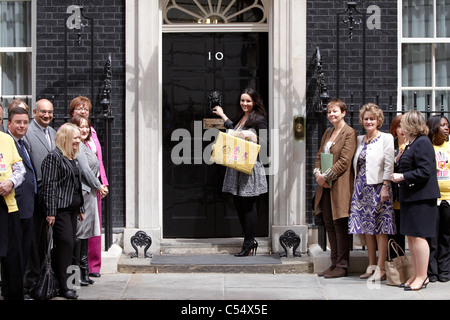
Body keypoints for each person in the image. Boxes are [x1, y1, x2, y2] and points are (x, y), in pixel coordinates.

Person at [212, 88, 268, 256]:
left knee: (249, 206)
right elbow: (233, 131)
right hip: (237, 168)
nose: (244, 103)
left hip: (250, 169)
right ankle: (249, 239)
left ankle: (248, 242)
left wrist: (252, 137)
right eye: (242, 100)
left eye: (248, 101)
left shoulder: (259, 119)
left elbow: (267, 143)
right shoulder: (241, 117)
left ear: (255, 102)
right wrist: (222, 115)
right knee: (238, 204)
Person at [391, 110, 440, 291]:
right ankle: (416, 274)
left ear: (411, 125)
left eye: (404, 123)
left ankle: (422, 275)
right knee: (411, 238)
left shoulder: (423, 143)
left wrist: (402, 176)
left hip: (421, 198)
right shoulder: (412, 144)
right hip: (411, 197)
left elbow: (425, 171)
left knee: (419, 238)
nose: (401, 127)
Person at [349, 103, 396, 282]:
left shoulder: (386, 138)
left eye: (372, 119)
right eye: (366, 119)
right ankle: (371, 266)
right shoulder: (361, 139)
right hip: (361, 187)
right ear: (362, 120)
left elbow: (389, 163)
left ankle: (382, 268)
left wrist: (386, 185)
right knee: (367, 229)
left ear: (378, 120)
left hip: (378, 187)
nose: (369, 121)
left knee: (380, 229)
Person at [312, 98, 356, 278]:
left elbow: (345, 161)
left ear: (343, 113)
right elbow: (319, 156)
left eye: (335, 111)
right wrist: (317, 174)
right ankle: (333, 263)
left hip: (339, 185)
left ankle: (342, 265)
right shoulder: (328, 132)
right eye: (329, 112)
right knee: (329, 224)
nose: (331, 114)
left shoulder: (349, 133)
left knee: (340, 224)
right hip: (325, 186)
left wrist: (326, 176)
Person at [41, 123, 85, 299]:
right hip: (60, 210)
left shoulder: (71, 157)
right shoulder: (54, 157)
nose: (78, 140)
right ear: (65, 138)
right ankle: (65, 286)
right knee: (65, 244)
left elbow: (76, 185)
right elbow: (49, 186)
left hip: (73, 210)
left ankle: (64, 283)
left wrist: (81, 207)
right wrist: (51, 212)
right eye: (75, 137)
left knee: (68, 245)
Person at [69, 96, 109, 277]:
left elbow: (98, 160)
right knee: (81, 230)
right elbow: (83, 166)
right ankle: (79, 271)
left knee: (94, 227)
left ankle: (92, 266)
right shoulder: (69, 132)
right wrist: (99, 184)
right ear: (72, 112)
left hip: (95, 186)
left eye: (86, 109)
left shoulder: (91, 132)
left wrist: (104, 182)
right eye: (79, 108)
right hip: (82, 188)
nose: (83, 111)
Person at [22, 98, 57, 294]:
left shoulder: (53, 133)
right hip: (35, 195)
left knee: (45, 241)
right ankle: (30, 283)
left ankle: (45, 281)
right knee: (33, 242)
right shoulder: (27, 132)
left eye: (50, 112)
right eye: (43, 111)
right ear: (34, 112)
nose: (47, 115)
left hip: (50, 196)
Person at [7, 107, 37, 285]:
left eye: (25, 122)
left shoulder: (23, 144)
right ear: (9, 123)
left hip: (28, 205)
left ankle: (19, 287)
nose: (22, 125)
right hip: (15, 204)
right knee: (15, 252)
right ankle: (13, 289)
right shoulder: (7, 143)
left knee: (24, 249)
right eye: (18, 122)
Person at [0, 130, 26, 300]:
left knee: (13, 257)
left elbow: (20, 169)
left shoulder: (7, 139)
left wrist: (11, 182)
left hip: (8, 206)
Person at [426, 115, 450, 283]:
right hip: (432, 198)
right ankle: (431, 272)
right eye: (442, 125)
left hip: (449, 198)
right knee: (432, 238)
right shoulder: (427, 146)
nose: (446, 128)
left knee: (446, 237)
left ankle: (445, 271)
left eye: (447, 125)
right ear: (434, 128)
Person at [389, 115, 407, 255]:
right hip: (394, 197)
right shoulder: (390, 146)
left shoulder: (414, 145)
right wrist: (396, 160)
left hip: (410, 195)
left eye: (405, 126)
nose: (402, 130)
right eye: (399, 126)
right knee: (395, 234)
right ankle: (396, 266)